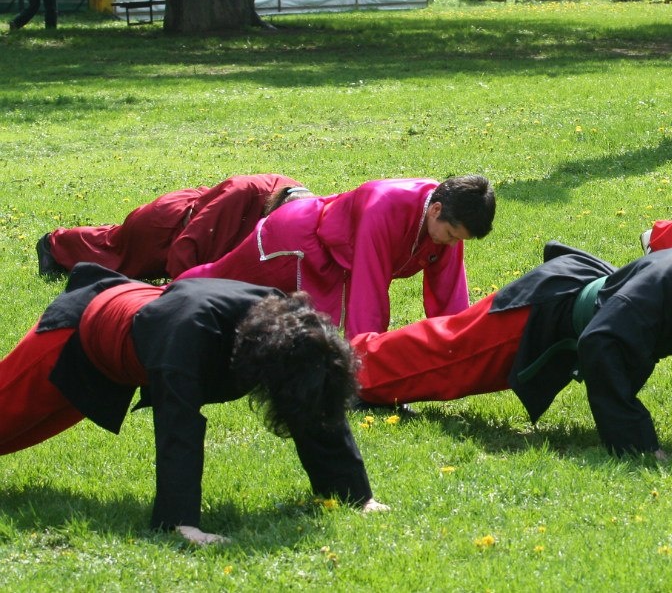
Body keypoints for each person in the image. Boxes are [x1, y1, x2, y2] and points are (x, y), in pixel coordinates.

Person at [0, 263, 386, 545]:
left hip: (140, 326)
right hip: (74, 337)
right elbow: (177, 424)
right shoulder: (187, 339)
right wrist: (180, 522)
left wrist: (355, 494)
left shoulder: (294, 327)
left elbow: (315, 397)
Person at [352, 242, 672, 458]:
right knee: (452, 356)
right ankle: (353, 370)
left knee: (451, 354)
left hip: (598, 303)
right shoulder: (667, 285)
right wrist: (637, 444)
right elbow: (600, 343)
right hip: (548, 310)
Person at [176, 175, 495, 338]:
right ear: (435, 210)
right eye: (452, 236)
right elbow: (368, 290)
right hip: (292, 240)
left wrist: (458, 343)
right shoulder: (383, 205)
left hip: (333, 261)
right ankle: (169, 296)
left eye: (459, 239)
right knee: (223, 281)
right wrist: (367, 365)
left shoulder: (446, 219)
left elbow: (450, 295)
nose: (452, 245)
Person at [37, 174, 310, 280]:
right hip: (165, 227)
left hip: (186, 224)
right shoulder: (245, 191)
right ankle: (53, 243)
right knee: (115, 256)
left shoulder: (302, 203)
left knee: (111, 245)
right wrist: (182, 289)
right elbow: (189, 241)